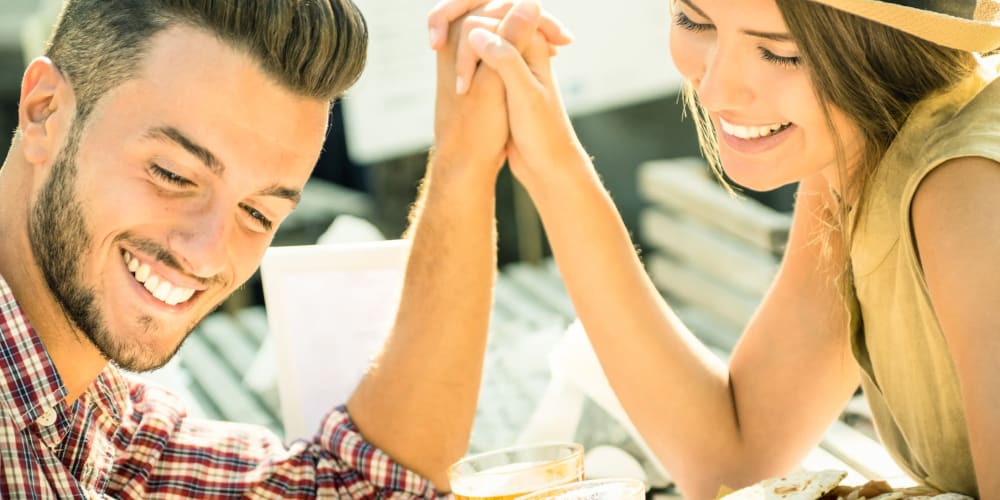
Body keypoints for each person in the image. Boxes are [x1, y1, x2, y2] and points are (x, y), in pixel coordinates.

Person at [427, 0, 1000, 498]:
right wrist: (551, 162)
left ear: (892, 48)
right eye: (692, 19)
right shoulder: (857, 153)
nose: (717, 88)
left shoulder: (965, 192)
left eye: (780, 52)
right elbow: (735, 457)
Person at [0, 0, 571, 497]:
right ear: (44, 111)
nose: (207, 253)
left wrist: (462, 159)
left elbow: (363, 486)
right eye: (173, 174)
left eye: (258, 213)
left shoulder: (82, 407)